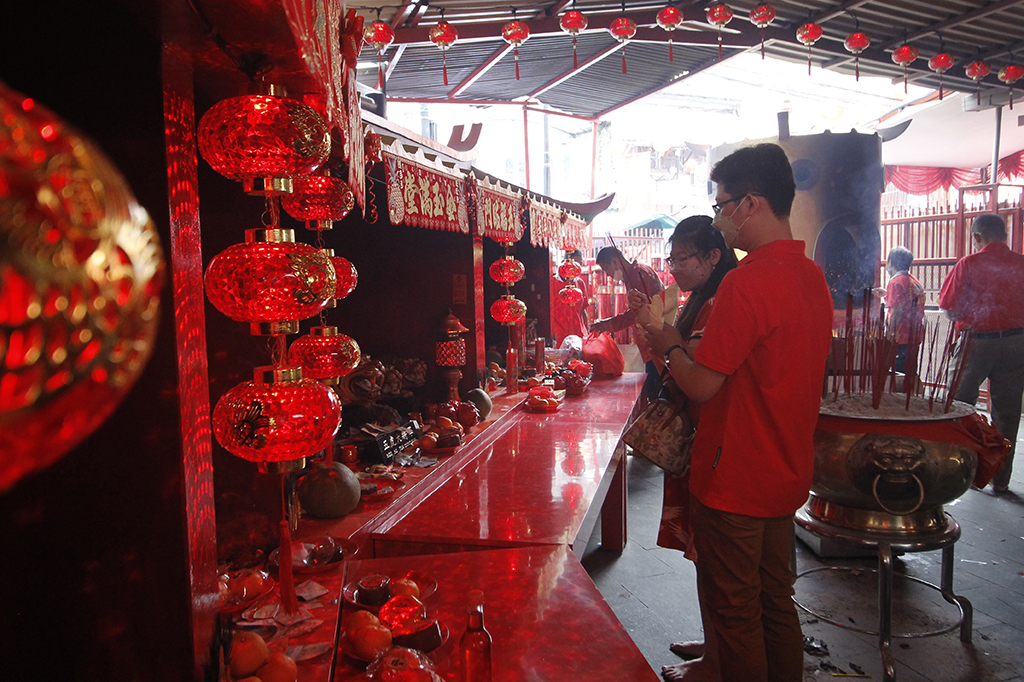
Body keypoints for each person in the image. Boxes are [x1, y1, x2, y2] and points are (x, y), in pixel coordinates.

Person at [645, 143, 833, 682]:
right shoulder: (810, 277)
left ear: (750, 203)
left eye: (722, 204)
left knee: (735, 615)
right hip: (785, 471)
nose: (719, 217)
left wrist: (668, 342)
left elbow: (702, 384)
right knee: (776, 601)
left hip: (735, 477)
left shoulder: (747, 282)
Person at [629, 216, 738, 681]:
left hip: (716, 442)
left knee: (718, 561)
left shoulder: (721, 302)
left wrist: (661, 338)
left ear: (712, 257)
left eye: (682, 258)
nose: (674, 267)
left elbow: (691, 379)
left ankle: (718, 659)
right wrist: (654, 331)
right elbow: (674, 364)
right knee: (705, 554)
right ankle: (713, 640)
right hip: (702, 440)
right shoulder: (698, 300)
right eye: (671, 258)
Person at [938, 214, 1024, 493]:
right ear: (1005, 233)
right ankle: (1000, 479)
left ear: (976, 237)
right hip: (1016, 343)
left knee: (959, 404)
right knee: (1008, 412)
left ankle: (962, 471)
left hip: (977, 342)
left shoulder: (969, 264)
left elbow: (950, 308)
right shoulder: (1022, 264)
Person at [590, 246, 665, 397]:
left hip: (656, 341)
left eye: (606, 269)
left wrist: (607, 325)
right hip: (653, 341)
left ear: (615, 261)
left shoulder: (639, 274)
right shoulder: (633, 275)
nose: (608, 275)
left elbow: (635, 314)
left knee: (656, 390)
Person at [879, 246, 925, 374]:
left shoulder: (895, 282)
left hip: (900, 338)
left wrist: (888, 337)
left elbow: (896, 313)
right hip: (914, 335)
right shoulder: (914, 280)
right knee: (909, 374)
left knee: (898, 376)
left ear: (890, 262)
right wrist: (886, 294)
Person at [550, 249, 591, 346]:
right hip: (560, 333)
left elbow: (583, 309)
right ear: (563, 263)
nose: (575, 268)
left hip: (578, 332)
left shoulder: (580, 283)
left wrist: (587, 329)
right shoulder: (552, 283)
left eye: (578, 264)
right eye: (572, 264)